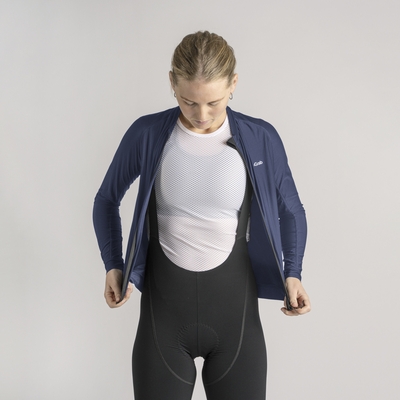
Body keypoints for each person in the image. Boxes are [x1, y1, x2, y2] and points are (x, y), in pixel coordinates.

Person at [93, 31, 311, 400]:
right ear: (171, 83)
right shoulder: (148, 133)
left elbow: (291, 209)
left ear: (233, 84)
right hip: (162, 322)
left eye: (214, 102)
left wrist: (293, 273)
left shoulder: (259, 137)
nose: (201, 115)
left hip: (236, 322)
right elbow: (106, 199)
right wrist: (114, 265)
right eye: (188, 102)